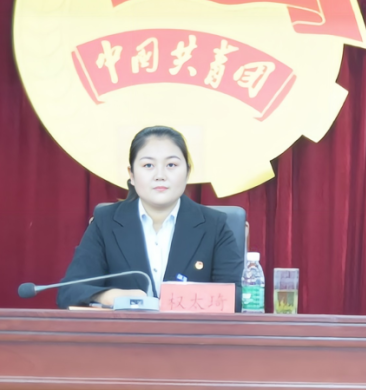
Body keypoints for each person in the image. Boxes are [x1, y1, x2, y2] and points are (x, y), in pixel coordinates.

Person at [56, 126, 244, 309]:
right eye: (148, 165)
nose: (160, 176)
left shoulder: (214, 226)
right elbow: (69, 291)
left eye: (171, 165)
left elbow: (237, 297)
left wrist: (178, 300)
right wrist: (110, 296)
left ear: (187, 172)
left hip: (191, 330)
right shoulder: (106, 222)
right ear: (131, 174)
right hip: (125, 330)